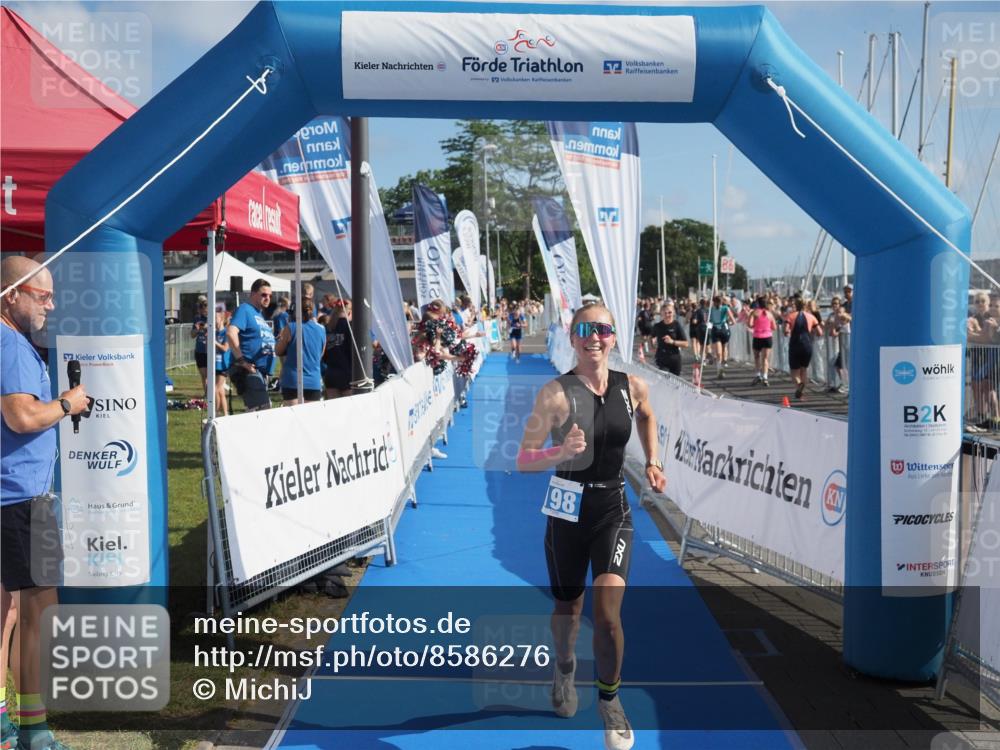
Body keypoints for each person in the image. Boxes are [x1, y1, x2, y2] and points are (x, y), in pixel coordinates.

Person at [516, 303, 667, 750]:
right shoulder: (555, 394)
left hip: (612, 510)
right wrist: (559, 454)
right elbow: (524, 459)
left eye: (602, 329)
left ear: (613, 337)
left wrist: (654, 459)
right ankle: (564, 670)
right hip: (566, 511)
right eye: (585, 330)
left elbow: (647, 416)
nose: (594, 337)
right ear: (573, 336)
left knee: (607, 617)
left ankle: (611, 702)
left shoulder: (631, 386)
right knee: (569, 611)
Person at [1, 256, 91, 750]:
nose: (50, 305)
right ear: (11, 294)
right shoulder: (10, 342)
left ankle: (11, 723)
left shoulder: (10, 341)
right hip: (20, 497)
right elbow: (18, 416)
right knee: (39, 612)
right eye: (42, 294)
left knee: (11, 613)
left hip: (14, 495)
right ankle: (32, 729)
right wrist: (67, 405)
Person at [226, 279, 275, 411]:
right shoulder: (245, 309)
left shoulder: (259, 314)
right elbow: (231, 333)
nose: (267, 298)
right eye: (263, 295)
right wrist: (242, 361)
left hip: (259, 372)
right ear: (252, 294)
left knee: (258, 411)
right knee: (261, 411)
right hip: (247, 369)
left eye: (270, 295)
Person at [276, 300, 326, 404]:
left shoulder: (291, 327)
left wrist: (281, 339)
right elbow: (320, 355)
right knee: (311, 418)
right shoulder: (321, 329)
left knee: (293, 418)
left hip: (292, 380)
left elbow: (278, 350)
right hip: (313, 380)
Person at [783, 298, 821, 400]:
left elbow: (786, 331)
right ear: (805, 306)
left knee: (794, 372)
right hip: (807, 345)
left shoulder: (790, 316)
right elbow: (820, 332)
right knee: (804, 369)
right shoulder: (811, 317)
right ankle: (802, 392)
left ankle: (799, 385)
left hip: (795, 345)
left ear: (796, 305)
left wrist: (787, 331)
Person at [323, 300, 354, 399]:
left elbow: (323, 353)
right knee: (348, 410)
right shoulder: (351, 327)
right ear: (349, 312)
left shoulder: (327, 328)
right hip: (347, 374)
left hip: (331, 373)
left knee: (334, 410)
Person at [650, 302, 688, 377]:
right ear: (661, 314)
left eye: (670, 312)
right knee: (664, 379)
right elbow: (651, 337)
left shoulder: (676, 325)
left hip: (675, 358)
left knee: (675, 383)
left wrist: (672, 341)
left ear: (673, 313)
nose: (667, 315)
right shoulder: (657, 326)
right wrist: (652, 345)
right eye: (665, 313)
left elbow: (686, 343)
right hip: (662, 358)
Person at [749, 296, 777, 386]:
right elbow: (774, 327)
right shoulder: (770, 314)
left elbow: (750, 324)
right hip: (767, 337)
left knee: (757, 357)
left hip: (757, 336)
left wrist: (756, 326)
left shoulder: (754, 313)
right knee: (765, 359)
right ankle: (765, 377)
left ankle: (758, 375)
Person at [708, 295, 735, 379]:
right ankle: (719, 370)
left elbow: (733, 320)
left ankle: (724, 361)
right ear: (714, 302)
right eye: (717, 302)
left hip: (724, 329)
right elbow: (708, 320)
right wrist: (708, 324)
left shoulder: (725, 308)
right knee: (718, 352)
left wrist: (728, 323)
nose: (718, 304)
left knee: (724, 348)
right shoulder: (711, 310)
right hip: (715, 330)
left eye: (719, 302)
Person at [213, 305, 232, 417]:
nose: (214, 321)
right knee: (220, 391)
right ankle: (225, 413)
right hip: (215, 364)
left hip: (223, 364)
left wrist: (214, 342)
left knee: (216, 388)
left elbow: (225, 348)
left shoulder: (226, 333)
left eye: (215, 319)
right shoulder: (214, 333)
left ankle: (216, 411)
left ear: (221, 319)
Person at [190, 296, 210, 395]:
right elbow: (192, 335)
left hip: (211, 350)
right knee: (204, 375)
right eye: (201, 308)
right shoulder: (197, 318)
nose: (202, 310)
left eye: (204, 308)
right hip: (200, 350)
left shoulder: (213, 317)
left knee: (210, 374)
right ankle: (206, 393)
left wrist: (208, 327)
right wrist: (197, 329)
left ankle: (211, 393)